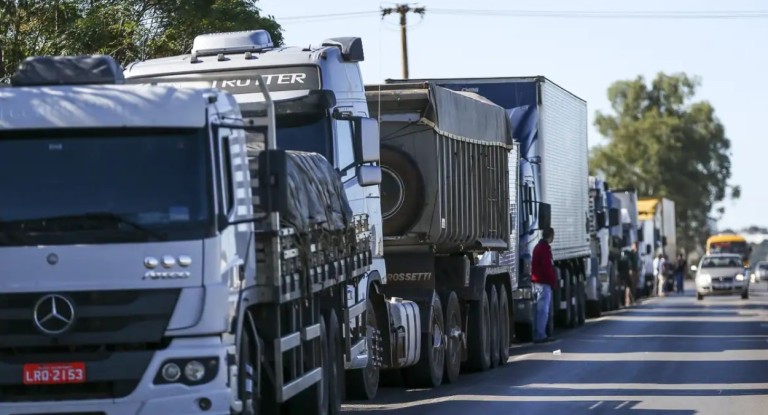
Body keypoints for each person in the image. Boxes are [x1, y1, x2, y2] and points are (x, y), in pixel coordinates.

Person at [532, 227, 557, 343]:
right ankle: (541, 335)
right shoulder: (545, 249)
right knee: (543, 310)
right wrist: (552, 281)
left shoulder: (538, 247)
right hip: (543, 283)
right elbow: (547, 268)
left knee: (538, 310)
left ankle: (538, 333)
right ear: (550, 236)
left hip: (537, 283)